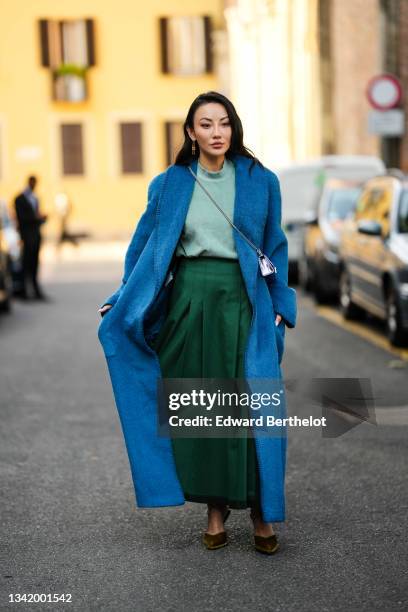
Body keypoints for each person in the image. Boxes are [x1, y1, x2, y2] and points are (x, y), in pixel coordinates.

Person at [98, 91, 297, 555]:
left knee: (254, 406)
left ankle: (262, 512)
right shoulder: (169, 184)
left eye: (224, 123)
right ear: (191, 132)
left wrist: (281, 301)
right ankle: (214, 508)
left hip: (243, 300)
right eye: (205, 124)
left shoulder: (259, 180)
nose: (216, 132)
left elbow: (275, 245)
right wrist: (122, 299)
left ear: (234, 128)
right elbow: (143, 248)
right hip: (189, 302)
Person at [14, 175, 49, 300]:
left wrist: (41, 219)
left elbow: (35, 215)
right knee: (26, 264)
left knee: (34, 264)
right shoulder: (19, 199)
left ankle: (35, 291)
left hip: (35, 235)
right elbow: (22, 218)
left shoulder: (34, 198)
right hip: (27, 237)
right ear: (29, 182)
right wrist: (37, 218)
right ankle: (23, 291)